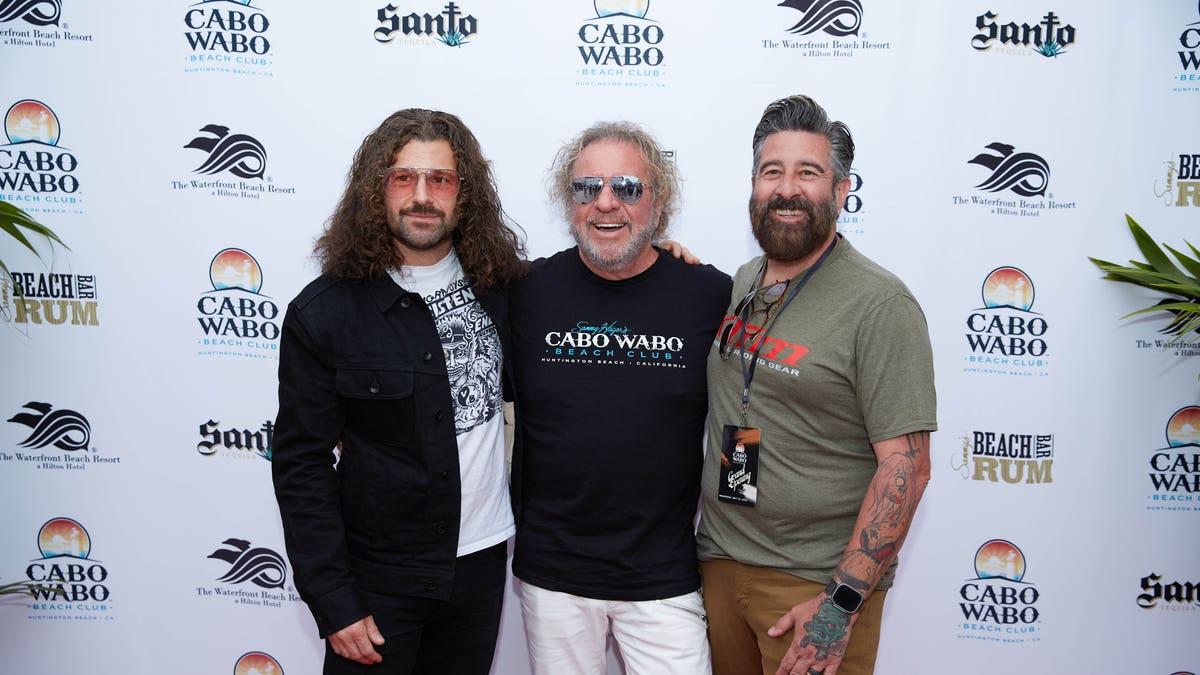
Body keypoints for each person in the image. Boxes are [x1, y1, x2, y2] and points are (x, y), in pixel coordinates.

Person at [271, 108, 526, 674]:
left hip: (481, 567)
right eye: (402, 177)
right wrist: (334, 600)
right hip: (377, 578)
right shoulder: (325, 313)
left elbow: (600, 281)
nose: (422, 196)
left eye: (441, 179)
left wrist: (666, 260)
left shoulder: (507, 291)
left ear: (466, 195)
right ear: (375, 190)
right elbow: (300, 465)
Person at [696, 95, 937, 675]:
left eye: (809, 172)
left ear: (843, 190)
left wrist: (840, 604)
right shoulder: (743, 283)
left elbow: (907, 468)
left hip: (813, 589)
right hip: (720, 564)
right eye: (772, 172)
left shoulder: (881, 304)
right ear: (753, 186)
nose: (787, 188)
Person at [508, 121, 732, 674]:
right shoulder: (524, 292)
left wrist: (741, 508)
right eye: (588, 188)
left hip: (665, 577)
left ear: (659, 202)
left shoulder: (710, 295)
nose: (606, 203)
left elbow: (745, 415)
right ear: (571, 202)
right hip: (554, 578)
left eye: (628, 187)